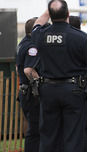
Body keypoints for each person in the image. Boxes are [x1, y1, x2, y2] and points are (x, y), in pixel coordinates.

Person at [29, 0, 87, 152]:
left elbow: (38, 23)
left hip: (48, 91)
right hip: (73, 91)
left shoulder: (39, 35)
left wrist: (49, 9)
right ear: (68, 13)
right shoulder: (80, 37)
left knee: (49, 135)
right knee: (74, 135)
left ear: (50, 15)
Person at [68, 15, 87, 152]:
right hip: (82, 91)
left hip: (70, 90)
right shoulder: (84, 39)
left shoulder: (68, 39)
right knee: (83, 127)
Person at [15, 17, 40, 152]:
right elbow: (29, 70)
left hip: (24, 91)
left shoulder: (22, 43)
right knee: (35, 130)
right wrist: (40, 83)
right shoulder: (32, 46)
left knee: (32, 126)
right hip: (32, 93)